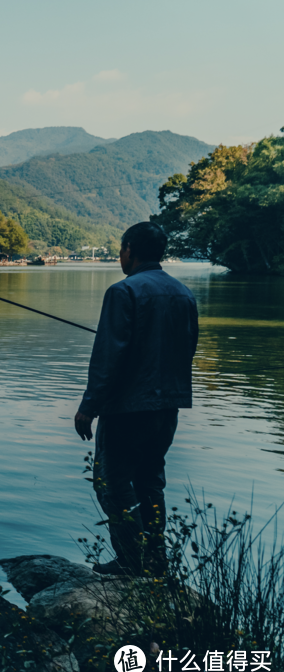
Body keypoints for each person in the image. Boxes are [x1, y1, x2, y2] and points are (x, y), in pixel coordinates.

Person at [74, 222, 198, 576]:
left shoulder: (123, 292)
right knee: (150, 480)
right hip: (167, 408)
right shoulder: (183, 294)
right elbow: (187, 350)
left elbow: (108, 357)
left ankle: (130, 559)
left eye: (121, 249)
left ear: (130, 249)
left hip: (128, 408)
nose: (120, 255)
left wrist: (89, 407)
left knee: (112, 483)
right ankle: (156, 559)